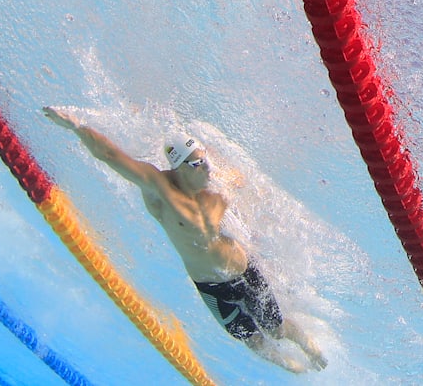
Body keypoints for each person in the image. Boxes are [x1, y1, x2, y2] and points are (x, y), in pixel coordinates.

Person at [43, 106, 326, 373]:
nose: (208, 168)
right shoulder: (161, 190)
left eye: (206, 160)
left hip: (244, 270)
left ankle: (310, 348)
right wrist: (76, 126)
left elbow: (250, 186)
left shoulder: (217, 184)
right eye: (198, 163)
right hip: (211, 286)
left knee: (277, 328)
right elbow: (111, 155)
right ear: (179, 167)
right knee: (252, 340)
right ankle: (294, 369)